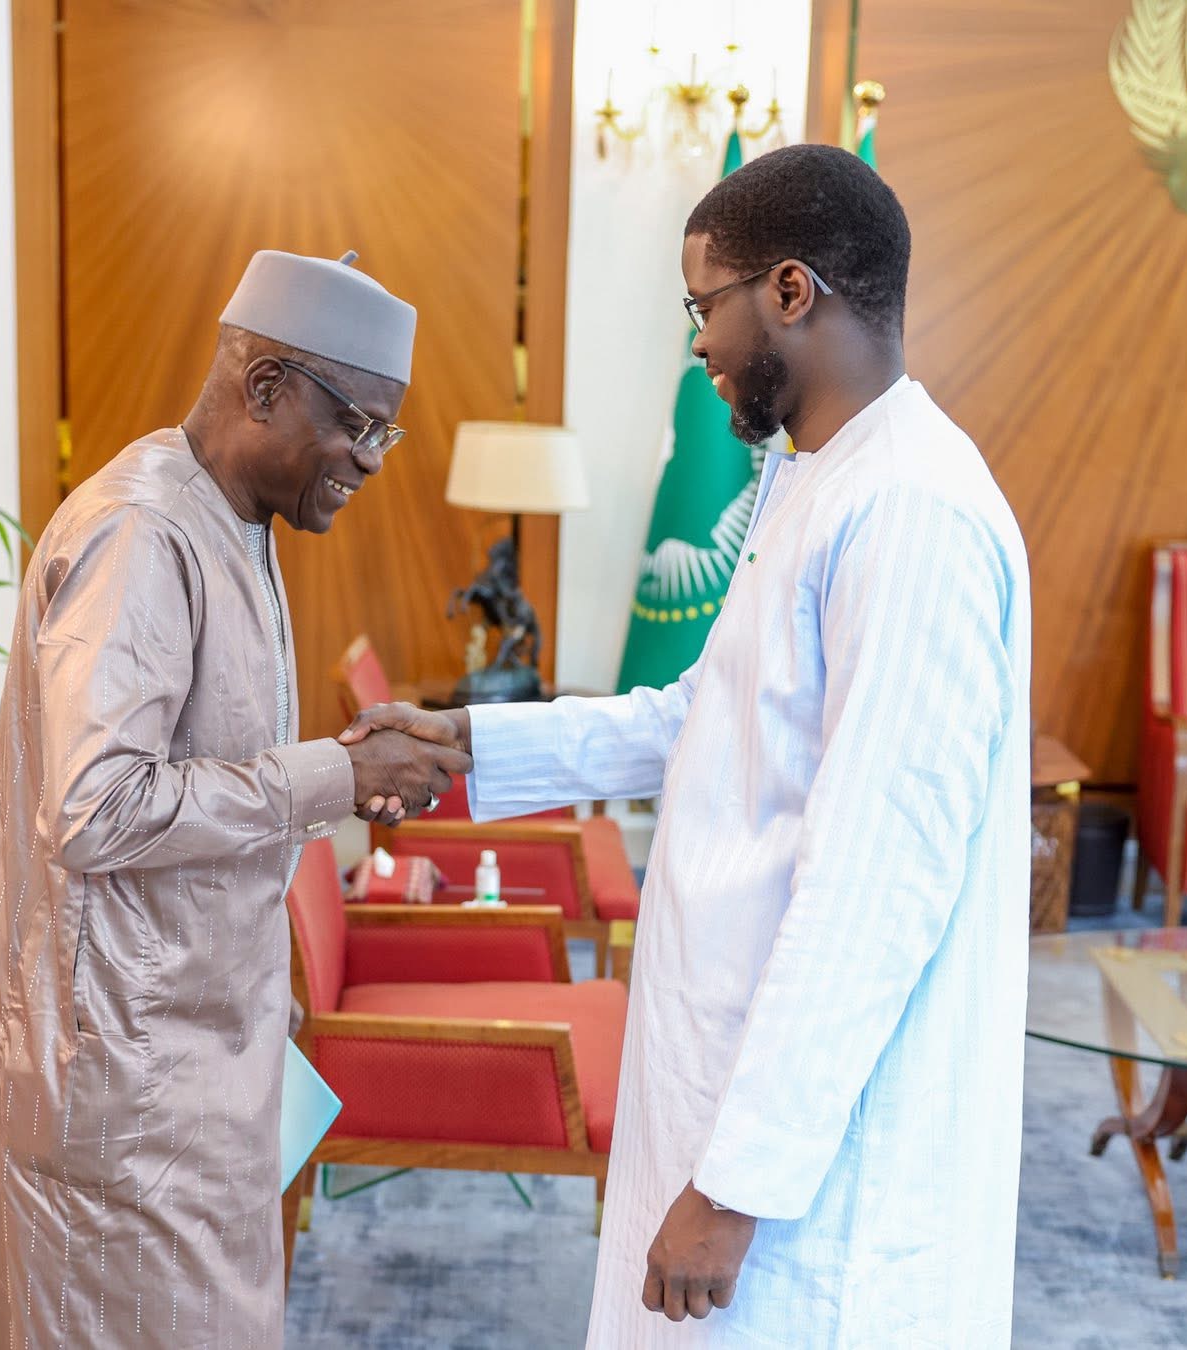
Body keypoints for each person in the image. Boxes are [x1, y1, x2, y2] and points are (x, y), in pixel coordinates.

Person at [345, 144, 1031, 1346]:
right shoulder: (811, 479)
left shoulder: (911, 510)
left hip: (814, 1170)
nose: (695, 346)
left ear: (787, 289)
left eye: (697, 306)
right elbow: (691, 717)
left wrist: (736, 1186)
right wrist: (463, 742)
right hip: (721, 1060)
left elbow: (876, 887)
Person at [0, 249, 470, 1349]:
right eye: (357, 424)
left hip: (203, 1040)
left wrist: (343, 772)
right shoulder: (144, 529)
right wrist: (332, 773)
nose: (369, 460)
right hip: (127, 1073)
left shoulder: (233, 518)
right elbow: (93, 807)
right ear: (265, 385)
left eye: (385, 433)